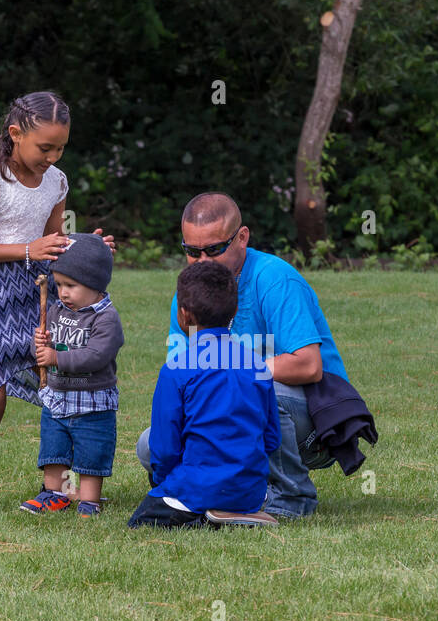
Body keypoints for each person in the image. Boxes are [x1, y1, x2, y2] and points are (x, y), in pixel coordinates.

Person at [136, 192, 345, 518]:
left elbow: (309, 366)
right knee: (152, 444)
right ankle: (220, 497)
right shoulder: (188, 295)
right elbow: (185, 382)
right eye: (192, 251)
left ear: (242, 237)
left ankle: (291, 499)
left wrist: (236, 370)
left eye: (214, 249)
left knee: (257, 388)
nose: (203, 261)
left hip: (316, 424)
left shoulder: (275, 279)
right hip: (244, 415)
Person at [0, 91, 114, 511]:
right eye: (45, 147)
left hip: (34, 293)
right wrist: (28, 250)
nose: (53, 156)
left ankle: (62, 488)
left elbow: (54, 244)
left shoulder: (56, 181)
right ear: (15, 134)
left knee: (57, 385)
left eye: (61, 147)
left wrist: (88, 248)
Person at [128, 262, 281, 529]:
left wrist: (168, 483)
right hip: (251, 492)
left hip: (194, 487)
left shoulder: (176, 369)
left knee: (139, 523)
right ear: (234, 311)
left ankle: (203, 517)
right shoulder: (258, 365)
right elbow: (271, 438)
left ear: (184, 315)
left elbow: (164, 448)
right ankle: (236, 513)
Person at [22, 235, 123, 518]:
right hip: (58, 396)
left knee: (91, 449)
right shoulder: (56, 310)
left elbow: (96, 355)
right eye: (59, 284)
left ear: (95, 284)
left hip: (92, 400)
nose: (62, 292)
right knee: (55, 447)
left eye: (71, 286)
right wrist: (40, 344)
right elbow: (46, 351)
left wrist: (57, 358)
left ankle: (89, 500)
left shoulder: (106, 319)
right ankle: (55, 493)